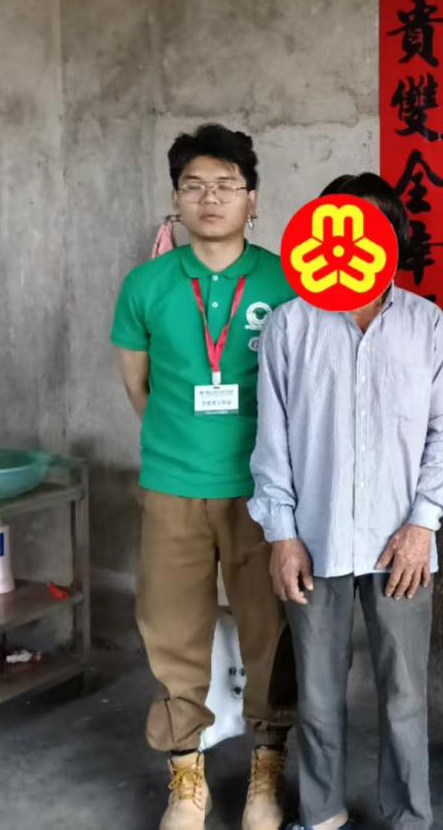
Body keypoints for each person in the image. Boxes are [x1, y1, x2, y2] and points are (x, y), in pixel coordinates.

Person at [248, 173, 443, 830]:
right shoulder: (289, 325)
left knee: (404, 697)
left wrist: (423, 524)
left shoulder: (426, 325)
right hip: (315, 539)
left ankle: (408, 817)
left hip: (402, 543)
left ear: (395, 238)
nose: (352, 242)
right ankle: (322, 814)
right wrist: (282, 533)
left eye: (371, 227)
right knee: (317, 696)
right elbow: (272, 440)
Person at [111, 123, 296, 830]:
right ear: (176, 199)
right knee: (172, 629)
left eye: (226, 185)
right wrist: (181, 442)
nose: (210, 198)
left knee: (269, 630)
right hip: (173, 485)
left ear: (254, 199)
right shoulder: (146, 284)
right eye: (194, 185)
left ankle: (266, 770)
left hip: (263, 490)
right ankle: (186, 776)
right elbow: (138, 386)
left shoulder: (285, 280)